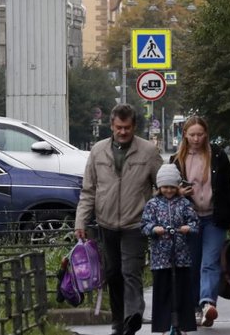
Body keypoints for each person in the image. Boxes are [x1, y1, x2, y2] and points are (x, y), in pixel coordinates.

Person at [75, 103, 163, 335]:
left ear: (134, 126)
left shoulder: (148, 152)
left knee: (131, 271)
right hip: (106, 223)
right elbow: (88, 190)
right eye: (118, 128)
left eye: (127, 127)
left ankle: (133, 316)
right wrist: (81, 221)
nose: (123, 132)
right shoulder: (98, 151)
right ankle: (118, 322)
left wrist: (153, 210)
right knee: (113, 273)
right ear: (111, 126)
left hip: (136, 223)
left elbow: (161, 186)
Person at [170, 116, 230, 328]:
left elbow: (229, 188)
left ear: (206, 134)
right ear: (185, 134)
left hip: (214, 218)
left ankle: (206, 303)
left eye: (200, 134)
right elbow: (167, 190)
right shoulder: (176, 159)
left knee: (210, 263)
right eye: (192, 134)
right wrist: (179, 192)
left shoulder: (217, 155)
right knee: (192, 264)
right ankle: (194, 307)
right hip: (189, 220)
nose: (196, 139)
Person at [141, 164, 199, 334]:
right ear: (159, 187)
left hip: (181, 256)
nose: (168, 190)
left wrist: (188, 228)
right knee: (162, 291)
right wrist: (154, 229)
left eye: (172, 187)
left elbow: (195, 223)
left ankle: (184, 325)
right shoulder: (152, 204)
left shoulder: (184, 203)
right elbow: (144, 224)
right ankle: (163, 326)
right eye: (165, 187)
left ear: (177, 187)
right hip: (161, 257)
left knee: (182, 291)